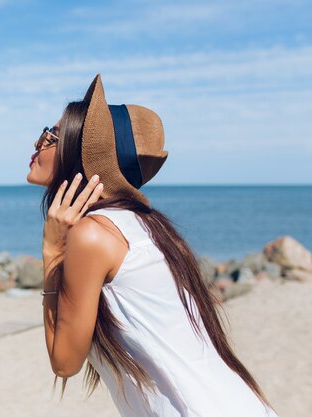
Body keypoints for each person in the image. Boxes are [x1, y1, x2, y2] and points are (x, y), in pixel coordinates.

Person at [26, 74, 279, 416]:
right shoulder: (150, 228)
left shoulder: (93, 235)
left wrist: (53, 252)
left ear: (76, 153)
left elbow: (65, 362)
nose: (38, 142)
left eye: (51, 135)